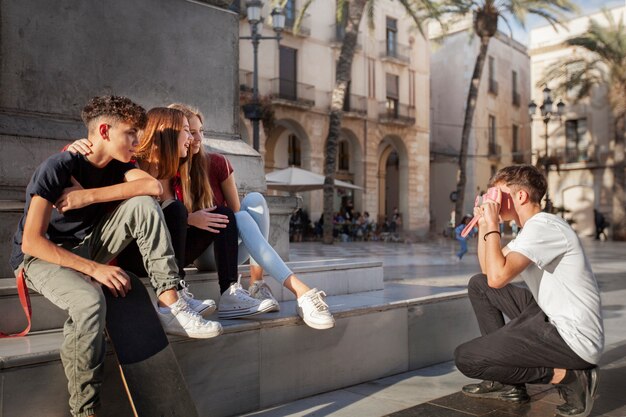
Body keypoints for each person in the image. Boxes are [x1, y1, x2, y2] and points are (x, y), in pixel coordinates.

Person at [11, 96, 221, 417]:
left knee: (143, 204)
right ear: (106, 131)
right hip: (42, 258)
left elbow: (152, 188)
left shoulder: (121, 167)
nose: (138, 143)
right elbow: (31, 244)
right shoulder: (60, 166)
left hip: (90, 245)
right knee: (90, 302)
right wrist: (93, 269)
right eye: (131, 134)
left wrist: (87, 196)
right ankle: (86, 410)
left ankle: (170, 302)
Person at [69, 108, 272, 319]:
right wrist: (73, 147)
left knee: (223, 214)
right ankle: (178, 291)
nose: (193, 138)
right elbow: (89, 164)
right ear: (167, 132)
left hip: (164, 253)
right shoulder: (128, 164)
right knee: (176, 210)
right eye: (187, 131)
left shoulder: (175, 175)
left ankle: (230, 293)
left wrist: (192, 219)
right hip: (129, 255)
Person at [454, 165, 603, 417]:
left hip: (572, 338)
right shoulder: (533, 229)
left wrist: (493, 223)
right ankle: (510, 385)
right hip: (549, 316)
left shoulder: (543, 227)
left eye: (497, 194)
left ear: (520, 196)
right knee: (479, 284)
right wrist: (483, 227)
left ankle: (567, 376)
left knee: (467, 358)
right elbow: (490, 274)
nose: (492, 200)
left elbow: (499, 277)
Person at [169, 103, 335, 330]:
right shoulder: (171, 169)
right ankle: (301, 292)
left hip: (226, 251)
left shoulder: (217, 164)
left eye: (201, 131)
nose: (197, 138)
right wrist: (191, 218)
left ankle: (257, 283)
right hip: (197, 254)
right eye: (191, 132)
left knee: (254, 202)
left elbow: (237, 216)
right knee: (238, 217)